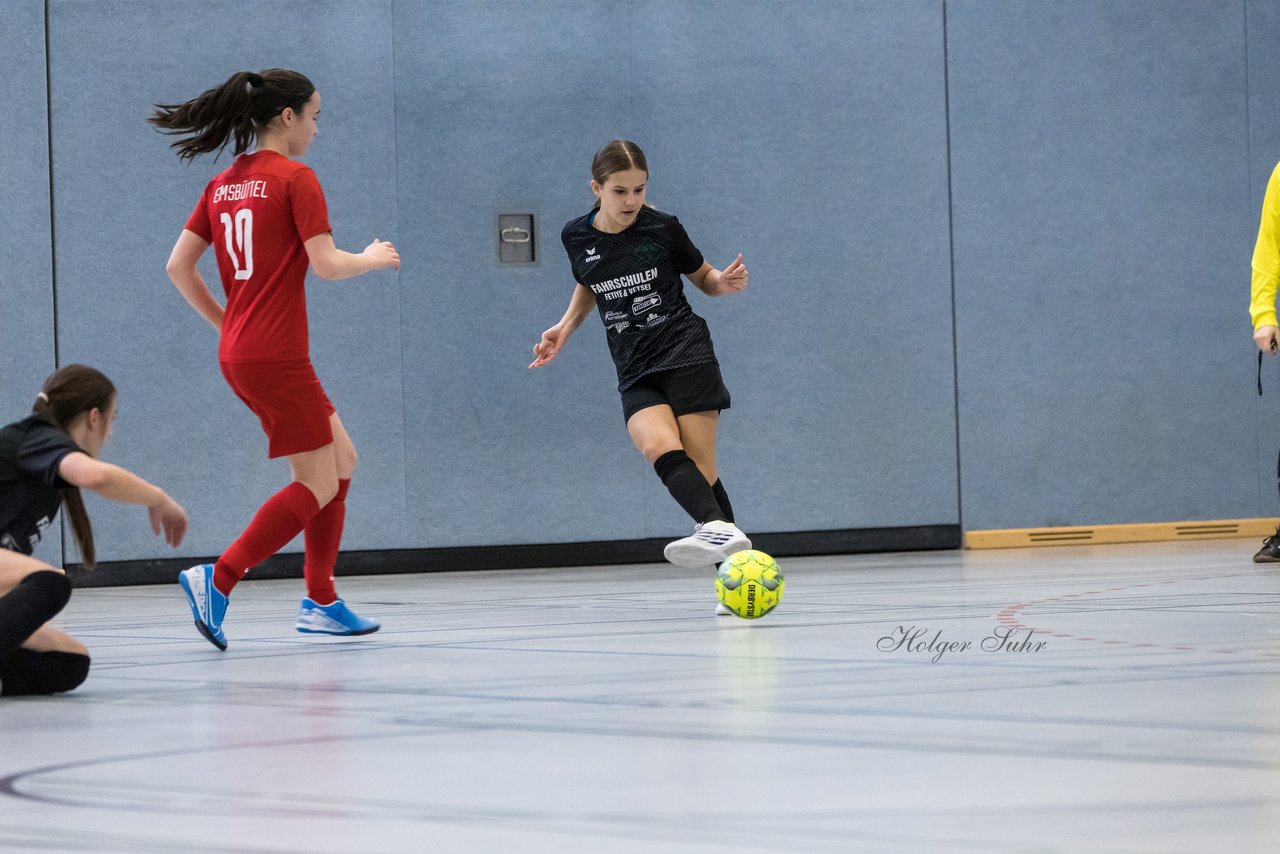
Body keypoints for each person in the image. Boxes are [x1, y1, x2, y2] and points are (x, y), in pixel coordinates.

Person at [152, 68, 399, 649]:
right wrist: (372, 256)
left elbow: (176, 266)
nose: (316, 129)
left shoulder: (224, 183)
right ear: (287, 117)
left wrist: (230, 323)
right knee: (314, 483)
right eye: (314, 116)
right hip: (277, 355)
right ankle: (219, 577)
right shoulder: (296, 178)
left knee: (341, 460)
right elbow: (328, 264)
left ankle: (320, 598)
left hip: (243, 352)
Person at [530, 139, 752, 594]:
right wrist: (565, 327)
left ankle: (738, 579)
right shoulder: (575, 236)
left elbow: (704, 278)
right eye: (620, 191)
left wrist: (723, 283)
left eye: (639, 189)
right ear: (596, 188)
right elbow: (593, 284)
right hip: (633, 364)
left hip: (685, 353)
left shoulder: (663, 228)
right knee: (655, 446)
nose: (632, 200)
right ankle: (723, 533)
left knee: (702, 472)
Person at [0, 364, 188, 695]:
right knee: (50, 583)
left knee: (70, 662)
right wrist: (157, 498)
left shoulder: (45, 461)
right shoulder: (38, 436)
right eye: (112, 420)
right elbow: (96, 477)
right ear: (93, 417)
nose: (111, 433)